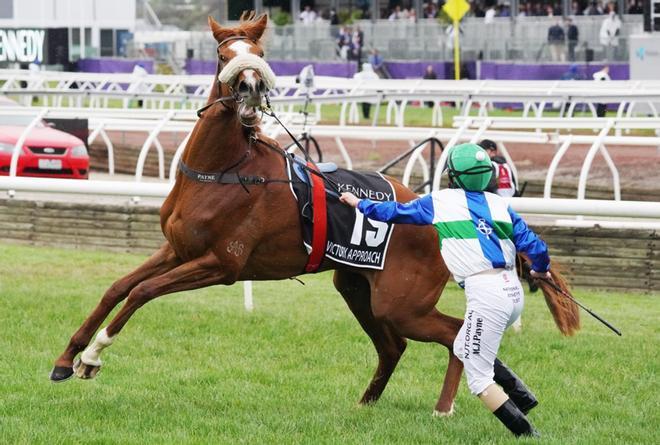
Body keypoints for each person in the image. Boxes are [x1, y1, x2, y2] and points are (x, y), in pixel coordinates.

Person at [340, 143, 547, 437]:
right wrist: (542, 268)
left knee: (479, 379)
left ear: (453, 174)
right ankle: (523, 397)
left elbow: (396, 212)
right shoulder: (501, 205)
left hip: (487, 297)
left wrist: (359, 203)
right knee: (463, 345)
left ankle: (528, 435)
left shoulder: (440, 201)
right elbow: (536, 247)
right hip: (513, 294)